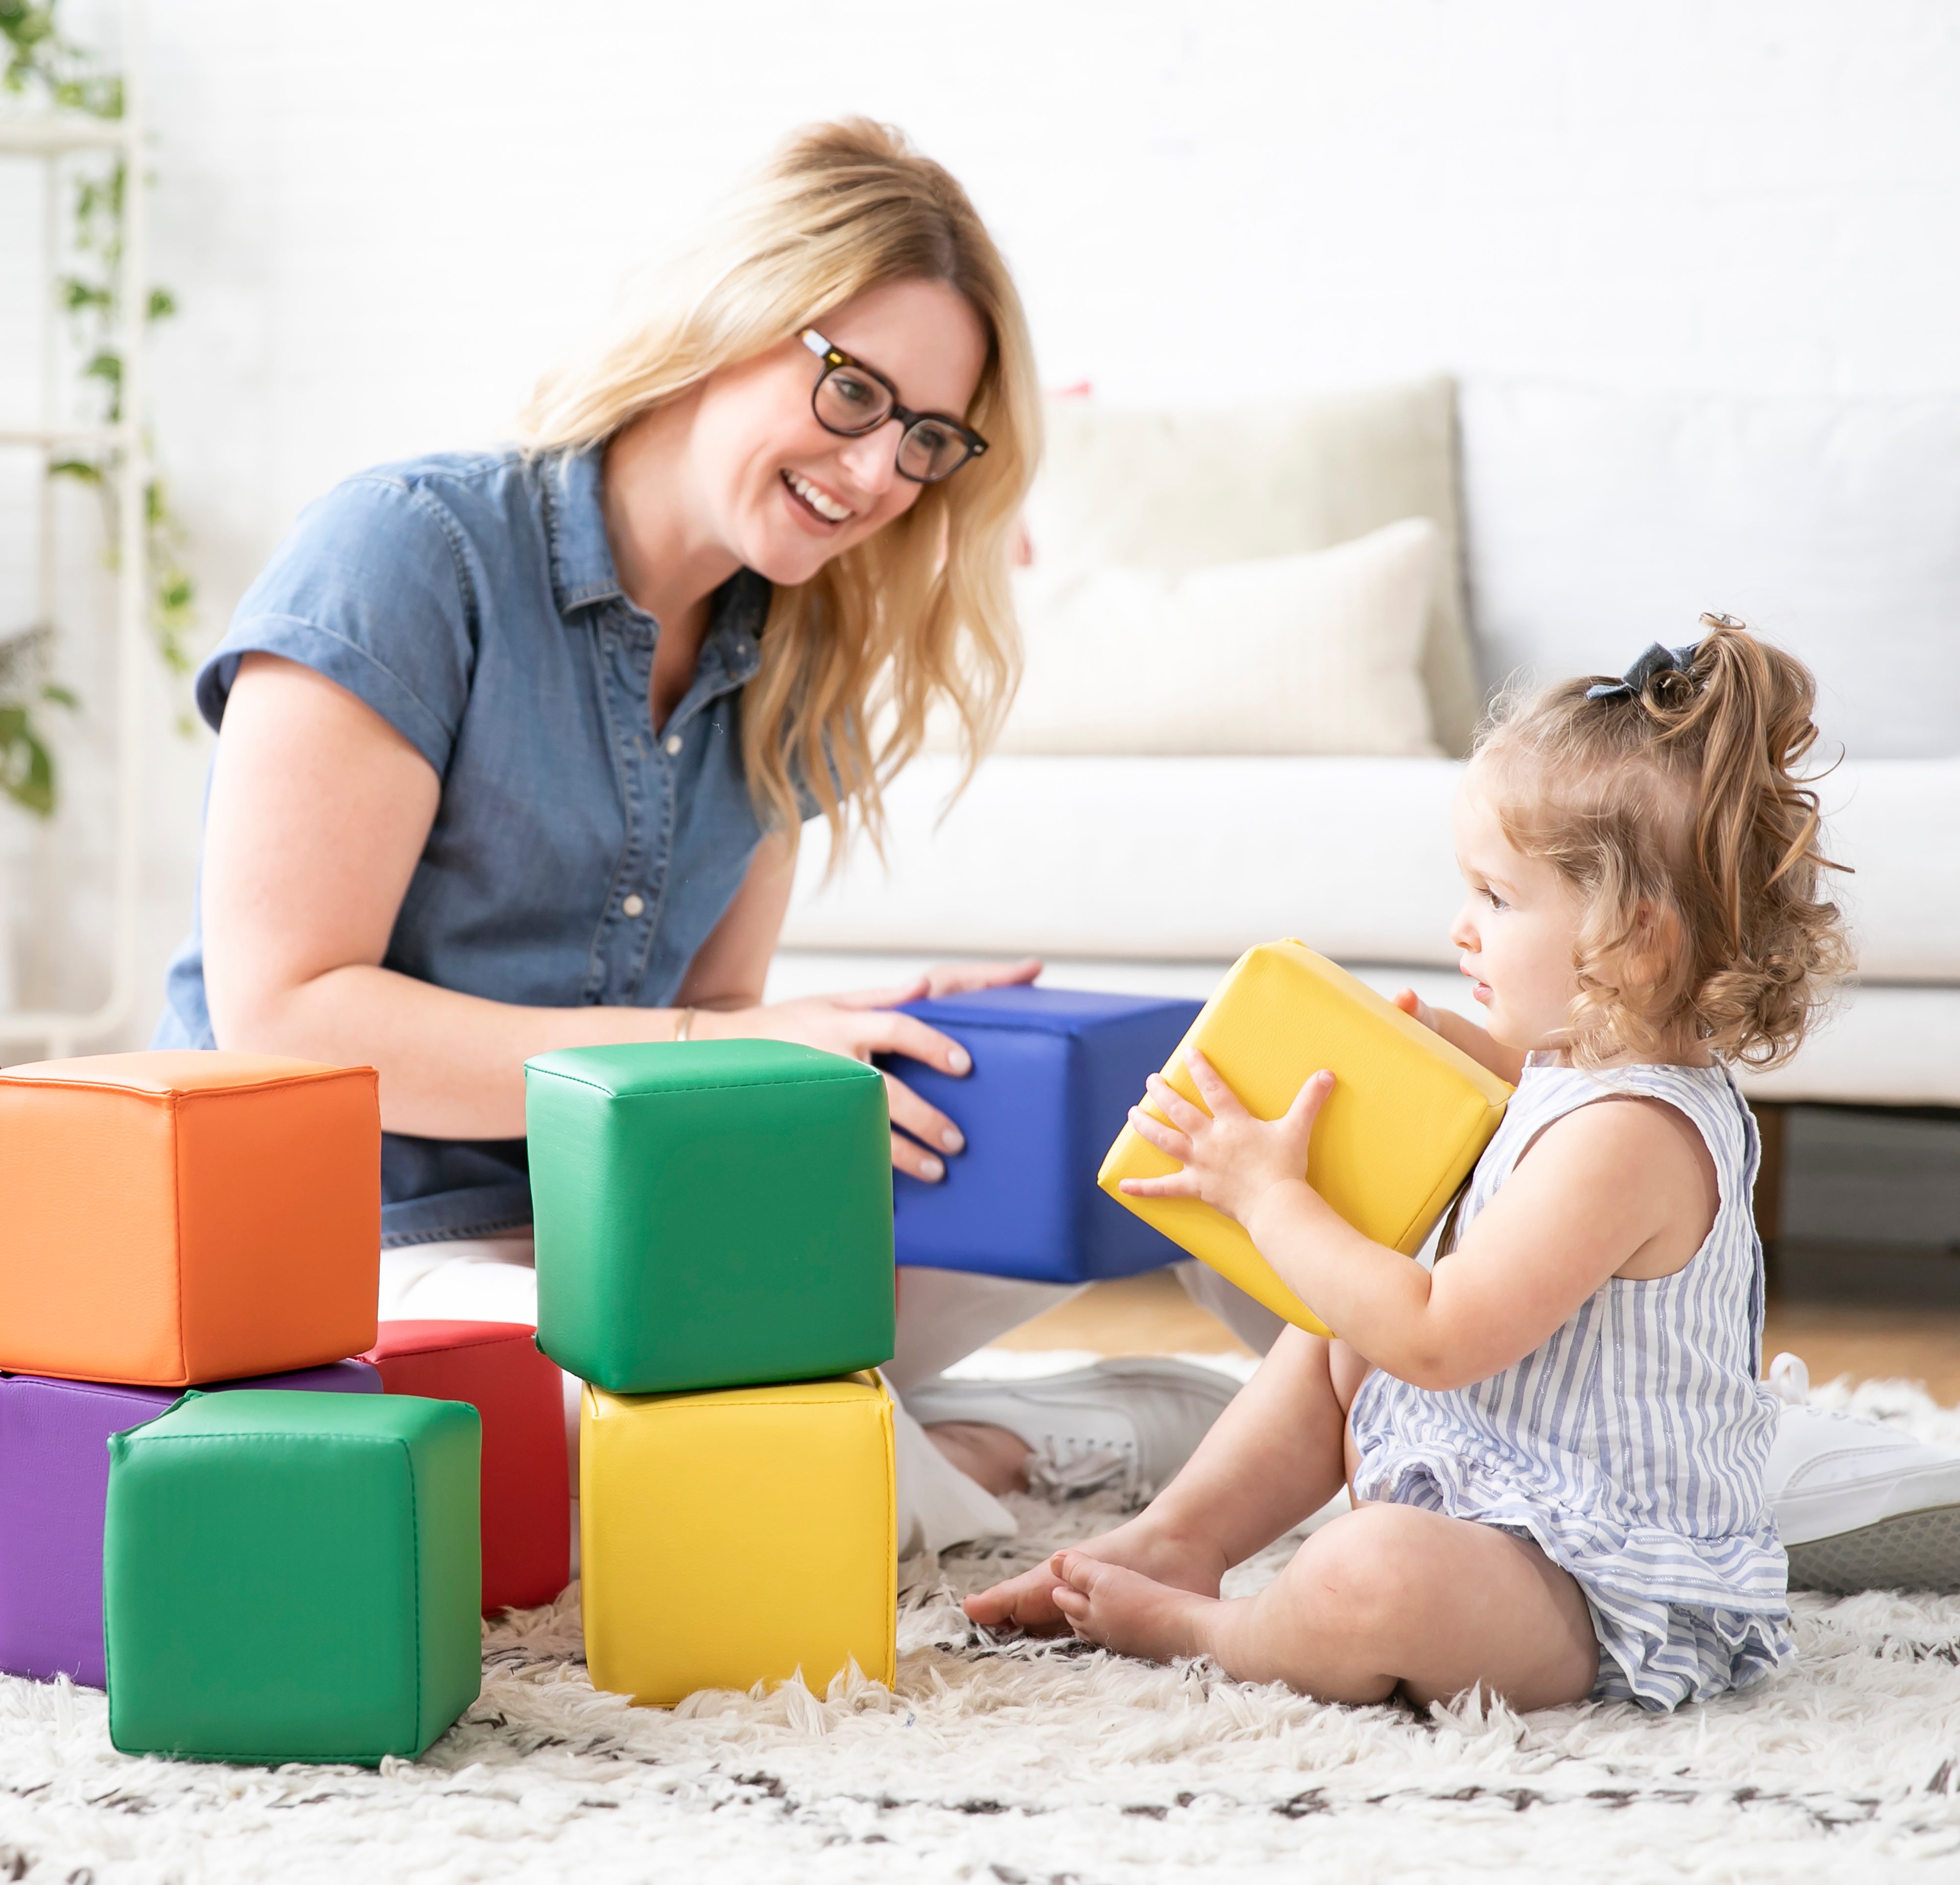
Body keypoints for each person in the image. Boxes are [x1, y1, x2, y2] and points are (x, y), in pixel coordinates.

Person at [154, 119, 1238, 1556]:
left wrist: (870, 1062)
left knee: (1149, 1134)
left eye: (925, 438)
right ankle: (1016, 1444)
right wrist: (726, 1051)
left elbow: (719, 1019)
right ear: (724, 315)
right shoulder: (412, 550)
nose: (875, 475)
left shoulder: (796, 659)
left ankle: (1312, 1436)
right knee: (731, 1485)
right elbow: (284, 1019)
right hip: (366, 1256)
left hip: (624, 1247)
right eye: (851, 392)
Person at [967, 616, 1852, 1711]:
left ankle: (1212, 1627)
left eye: (1495, 897)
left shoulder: (1630, 1138)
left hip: (1596, 1580)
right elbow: (1520, 1102)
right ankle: (1177, 1536)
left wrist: (1270, 1194)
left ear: (1634, 941)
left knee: (1368, 1565)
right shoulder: (1576, 1062)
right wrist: (1436, 1043)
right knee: (1333, 1325)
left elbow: (1434, 1335)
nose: (1460, 926)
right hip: (1496, 1487)